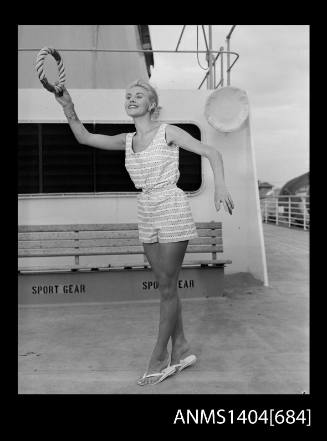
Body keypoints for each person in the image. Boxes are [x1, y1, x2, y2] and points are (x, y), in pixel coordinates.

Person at [54, 79, 234, 386]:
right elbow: (84, 137)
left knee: (166, 286)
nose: (131, 98)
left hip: (172, 206)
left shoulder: (168, 131)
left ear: (152, 104)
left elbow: (212, 152)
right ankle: (182, 347)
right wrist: (66, 103)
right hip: (146, 209)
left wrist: (220, 186)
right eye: (128, 96)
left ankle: (159, 356)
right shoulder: (126, 140)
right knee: (165, 284)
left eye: (139, 95)